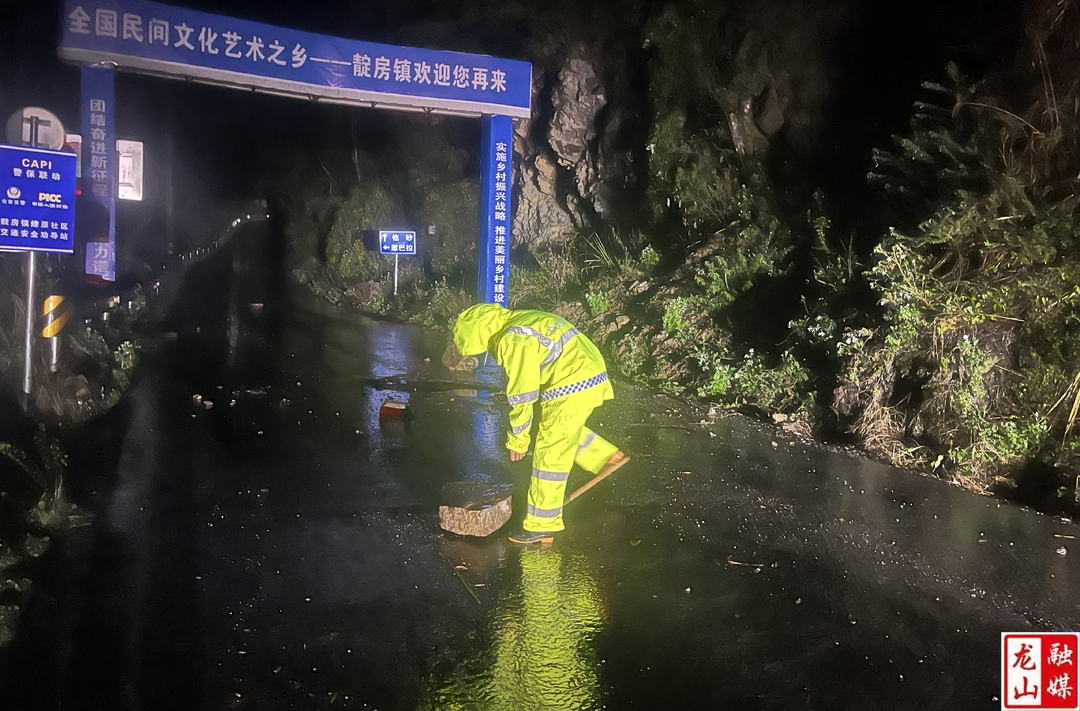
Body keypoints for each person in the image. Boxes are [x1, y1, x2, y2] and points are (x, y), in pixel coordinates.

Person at [452, 303, 629, 544]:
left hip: (572, 381)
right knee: (562, 427)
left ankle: (542, 525)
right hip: (588, 371)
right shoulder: (521, 319)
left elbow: (523, 395)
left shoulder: (511, 339)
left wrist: (518, 440)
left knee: (550, 450)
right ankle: (604, 456)